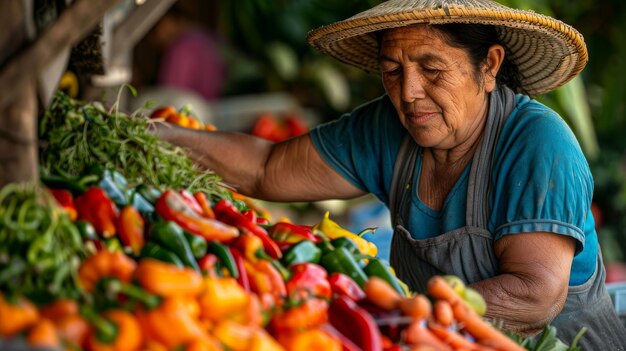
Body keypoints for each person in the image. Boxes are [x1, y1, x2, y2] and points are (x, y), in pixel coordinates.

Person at [155, 0, 626, 348]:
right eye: (392, 70)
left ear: (490, 65)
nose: (409, 93)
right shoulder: (389, 128)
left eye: (432, 69)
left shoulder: (538, 143)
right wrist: (156, 138)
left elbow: (534, 296)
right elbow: (265, 169)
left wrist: (399, 319)